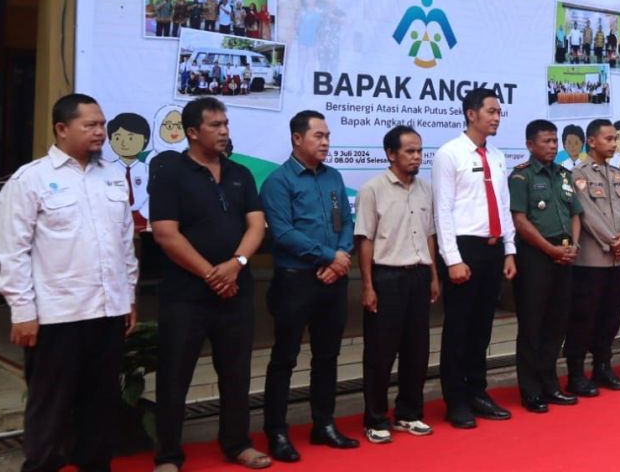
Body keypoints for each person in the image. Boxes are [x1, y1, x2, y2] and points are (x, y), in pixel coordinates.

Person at [0, 93, 139, 472]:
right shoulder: (31, 179)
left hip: (107, 311)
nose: (100, 132)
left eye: (102, 124)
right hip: (57, 316)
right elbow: (13, 253)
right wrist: (22, 312)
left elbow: (124, 241)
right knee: (51, 410)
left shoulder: (112, 174)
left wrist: (128, 297)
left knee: (100, 406)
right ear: (61, 129)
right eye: (89, 125)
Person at [149, 97, 269, 472]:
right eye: (215, 125)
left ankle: (237, 444)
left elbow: (256, 225)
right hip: (185, 296)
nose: (224, 131)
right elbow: (166, 234)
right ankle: (169, 455)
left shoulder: (240, 174)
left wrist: (237, 265)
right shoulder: (170, 173)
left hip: (236, 290)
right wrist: (211, 274)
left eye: (226, 124)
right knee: (174, 375)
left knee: (236, 373)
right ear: (191, 132)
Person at [259, 111, 358, 461]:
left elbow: (346, 220)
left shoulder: (333, 177)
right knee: (284, 358)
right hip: (296, 281)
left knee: (327, 356)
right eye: (318, 135)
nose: (326, 142)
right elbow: (283, 233)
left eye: (327, 136)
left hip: (333, 280)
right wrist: (328, 256)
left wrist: (341, 255)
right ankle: (276, 432)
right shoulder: (278, 182)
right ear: (297, 139)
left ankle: (324, 424)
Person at [432, 88, 517, 428]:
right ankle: (455, 400)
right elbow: (442, 210)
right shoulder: (448, 154)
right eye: (491, 111)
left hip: (493, 248)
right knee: (459, 328)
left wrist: (509, 249)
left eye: (499, 112)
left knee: (482, 327)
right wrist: (452, 258)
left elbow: (504, 205)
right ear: (471, 114)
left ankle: (477, 392)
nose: (496, 117)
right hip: (463, 249)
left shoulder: (496, 156)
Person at [355, 126, 440, 443]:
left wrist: (433, 275)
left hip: (419, 275)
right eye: (410, 151)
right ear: (391, 154)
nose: (417, 157)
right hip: (386, 277)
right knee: (380, 353)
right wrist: (367, 285)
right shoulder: (372, 189)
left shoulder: (425, 189)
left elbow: (430, 234)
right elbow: (364, 240)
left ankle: (409, 414)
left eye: (419, 151)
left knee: (417, 351)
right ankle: (375, 419)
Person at [509, 119, 583, 413]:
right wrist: (550, 248)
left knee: (557, 323)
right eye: (546, 142)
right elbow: (519, 220)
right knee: (532, 325)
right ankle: (530, 390)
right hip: (535, 257)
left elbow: (575, 213)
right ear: (530, 145)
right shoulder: (521, 177)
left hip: (565, 254)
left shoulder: (565, 175)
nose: (553, 146)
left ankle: (551, 384)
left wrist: (574, 246)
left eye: (555, 141)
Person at [565, 119, 620, 396]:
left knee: (611, 316)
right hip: (593, 259)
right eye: (608, 139)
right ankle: (576, 374)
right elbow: (586, 213)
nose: (614, 144)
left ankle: (603, 367)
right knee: (584, 318)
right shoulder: (579, 174)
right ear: (591, 142)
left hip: (617, 260)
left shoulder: (617, 174)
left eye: (615, 139)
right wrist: (612, 241)